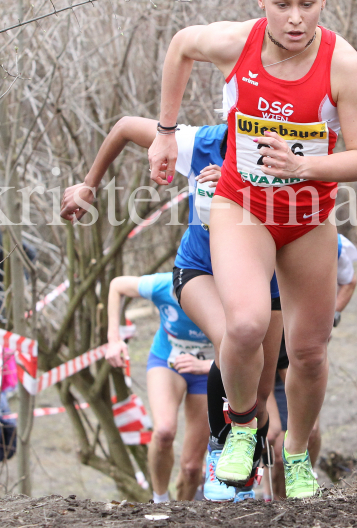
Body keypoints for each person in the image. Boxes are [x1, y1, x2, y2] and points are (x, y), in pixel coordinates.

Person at [146, 0, 357, 498]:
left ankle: (295, 454)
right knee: (247, 325)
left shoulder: (342, 65)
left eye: (306, 4)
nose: (295, 18)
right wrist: (165, 130)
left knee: (308, 351)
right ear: (262, 1)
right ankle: (243, 427)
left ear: (324, 1)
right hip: (241, 207)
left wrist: (304, 164)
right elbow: (179, 46)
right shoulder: (235, 44)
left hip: (307, 219)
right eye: (282, 4)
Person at [61, 117, 284, 502]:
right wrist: (89, 184)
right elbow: (126, 127)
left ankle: (249, 473)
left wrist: (238, 187)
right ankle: (220, 457)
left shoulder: (285, 150)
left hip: (265, 276)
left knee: (260, 394)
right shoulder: (201, 143)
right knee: (234, 338)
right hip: (199, 268)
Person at [265, 232, 357, 498]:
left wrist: (331, 317)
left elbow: (349, 281)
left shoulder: (328, 240)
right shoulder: (251, 235)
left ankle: (303, 476)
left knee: (312, 430)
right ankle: (267, 495)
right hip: (260, 342)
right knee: (271, 433)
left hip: (295, 344)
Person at [105, 272, 213, 503]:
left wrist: (206, 365)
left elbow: (250, 343)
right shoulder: (165, 284)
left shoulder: (227, 291)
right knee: (164, 432)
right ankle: (160, 501)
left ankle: (183, 514)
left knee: (193, 467)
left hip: (210, 368)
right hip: (167, 360)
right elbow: (117, 285)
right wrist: (114, 339)